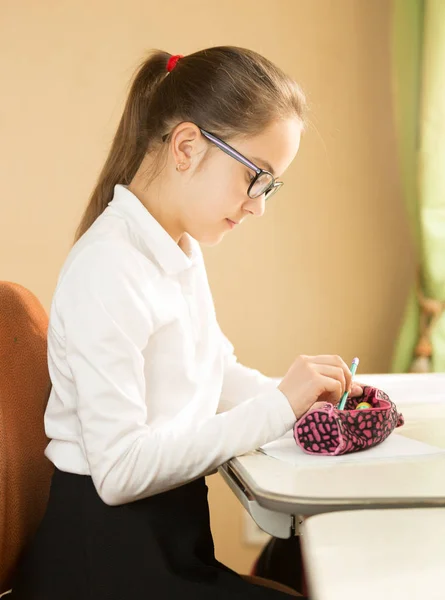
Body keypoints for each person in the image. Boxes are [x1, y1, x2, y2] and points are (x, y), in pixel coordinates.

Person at [12, 46, 363, 599]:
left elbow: (212, 371)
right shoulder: (108, 267)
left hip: (163, 546)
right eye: (256, 177)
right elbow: (120, 471)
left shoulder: (176, 248)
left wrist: (300, 399)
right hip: (104, 563)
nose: (258, 205)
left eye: (270, 186)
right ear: (187, 146)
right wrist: (277, 409)